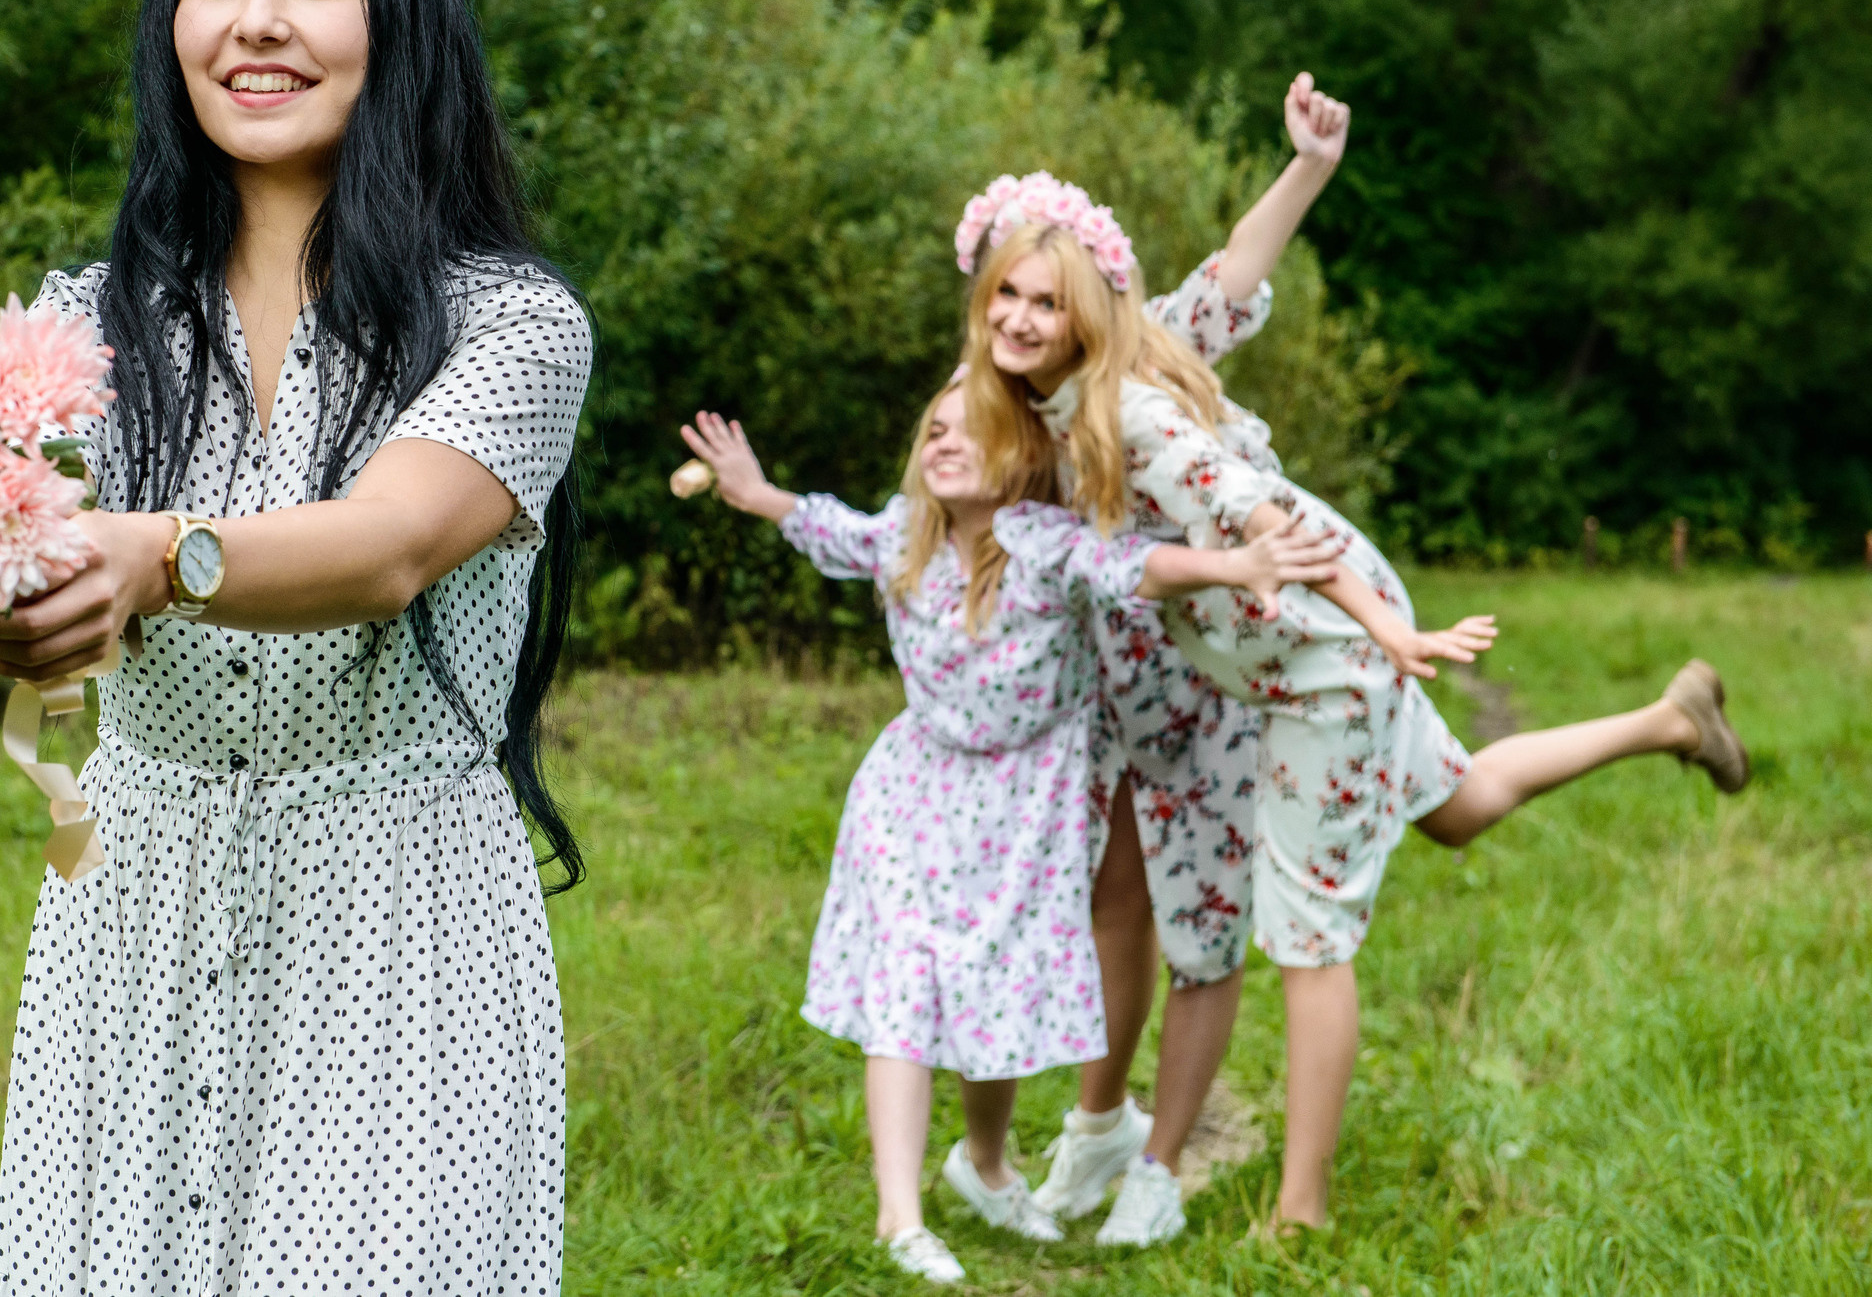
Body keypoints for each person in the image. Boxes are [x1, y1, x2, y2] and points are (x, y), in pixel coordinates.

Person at [0, 0, 593, 1296]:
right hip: (133, 908)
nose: (258, 18)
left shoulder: (512, 324)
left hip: (397, 926)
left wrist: (155, 555)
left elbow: (387, 544)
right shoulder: (80, 330)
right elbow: (7, 569)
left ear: (405, 24)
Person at [954, 176, 1751, 1233]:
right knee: (1458, 809)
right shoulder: (1051, 397)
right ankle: (1673, 719)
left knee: (1308, 934)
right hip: (1296, 649)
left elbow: (1266, 508)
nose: (1019, 316)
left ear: (1085, 311)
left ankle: (1300, 1215)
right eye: (1006, 293)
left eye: (1045, 300)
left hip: (1324, 657)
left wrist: (1387, 632)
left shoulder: (1131, 411)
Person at [677, 384, 1344, 1283]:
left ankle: (985, 1165)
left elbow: (1139, 569)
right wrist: (755, 492)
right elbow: (823, 526)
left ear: (1021, 455)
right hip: (916, 790)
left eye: (972, 430)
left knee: (991, 991)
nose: (946, 441)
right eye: (936, 429)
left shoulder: (1040, 541)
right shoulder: (903, 533)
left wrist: (1238, 565)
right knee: (908, 984)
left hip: (1029, 806)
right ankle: (898, 1218)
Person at [1031, 74, 1355, 1246]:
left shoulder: (1152, 356)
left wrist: (1307, 165)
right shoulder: (1017, 411)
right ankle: (1100, 1122)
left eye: (1062, 290)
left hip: (1212, 686)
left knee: (1203, 927)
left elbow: (1236, 266)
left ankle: (1162, 1163)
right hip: (1105, 701)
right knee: (1113, 906)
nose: (1039, 312)